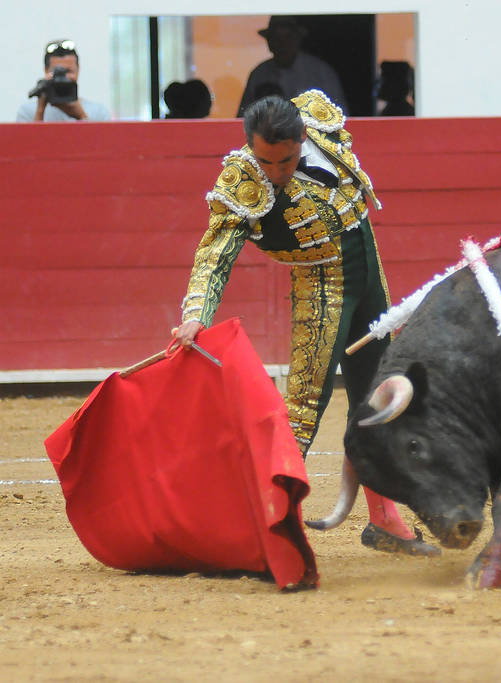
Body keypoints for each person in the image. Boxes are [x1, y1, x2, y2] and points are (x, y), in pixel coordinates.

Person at [172, 90, 438, 556]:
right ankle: (269, 525)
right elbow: (215, 253)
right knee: (302, 408)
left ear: (302, 139)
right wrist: (196, 316)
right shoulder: (243, 178)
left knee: (377, 392)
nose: (275, 173)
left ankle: (384, 518)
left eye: (286, 160)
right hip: (322, 286)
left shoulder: (318, 120)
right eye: (266, 162)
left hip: (369, 273)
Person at [236, 16, 348, 116]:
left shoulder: (322, 74)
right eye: (276, 38)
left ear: (298, 39)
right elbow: (243, 119)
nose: (282, 44)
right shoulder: (259, 75)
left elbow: (341, 117)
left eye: (288, 37)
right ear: (269, 42)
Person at [16, 39, 111, 122]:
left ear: (78, 70)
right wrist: (40, 110)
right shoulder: (28, 112)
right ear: (46, 71)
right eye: (56, 72)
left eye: (69, 71)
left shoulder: (99, 112)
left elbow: (101, 142)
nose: (63, 77)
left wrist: (81, 116)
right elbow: (28, 142)